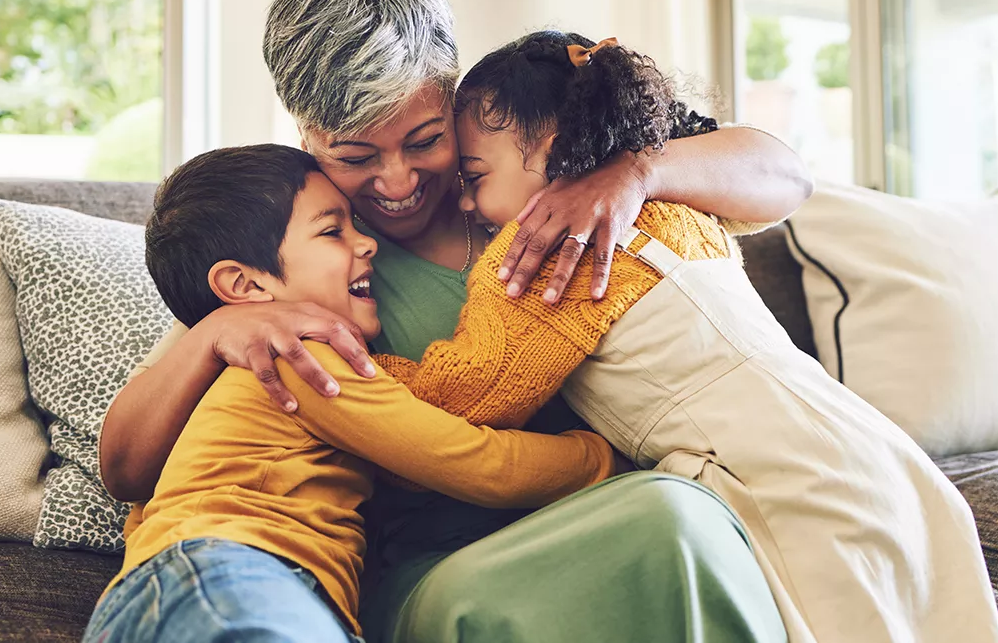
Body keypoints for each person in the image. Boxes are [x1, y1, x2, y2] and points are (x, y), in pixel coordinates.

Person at [97, 0, 806, 642]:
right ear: (306, 137)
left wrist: (635, 174)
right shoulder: (303, 256)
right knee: (669, 519)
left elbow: (785, 178)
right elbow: (126, 466)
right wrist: (211, 332)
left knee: (694, 519)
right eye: (355, 156)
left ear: (452, 96)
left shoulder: (535, 169)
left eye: (425, 140)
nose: (397, 180)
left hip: (608, 501)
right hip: (446, 563)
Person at [379, 31, 998, 643]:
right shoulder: (685, 208)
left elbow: (462, 398)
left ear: (550, 144)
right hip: (871, 448)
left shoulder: (546, 255)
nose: (463, 202)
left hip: (765, 475)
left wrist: (340, 365)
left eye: (475, 175)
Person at [85, 144, 622, 642]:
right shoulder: (299, 355)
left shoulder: (254, 356)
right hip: (226, 573)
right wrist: (609, 460)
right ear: (246, 287)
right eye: (331, 231)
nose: (367, 242)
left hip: (234, 589)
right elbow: (480, 462)